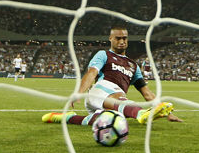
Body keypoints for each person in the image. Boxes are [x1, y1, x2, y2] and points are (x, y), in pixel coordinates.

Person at [42, 26, 182, 125]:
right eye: (118, 38)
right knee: (119, 99)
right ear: (110, 38)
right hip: (99, 92)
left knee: (113, 122)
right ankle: (140, 114)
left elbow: (147, 94)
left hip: (113, 102)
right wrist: (79, 93)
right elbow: (92, 73)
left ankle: (68, 118)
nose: (122, 41)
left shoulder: (133, 65)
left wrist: (167, 114)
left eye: (124, 38)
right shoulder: (104, 54)